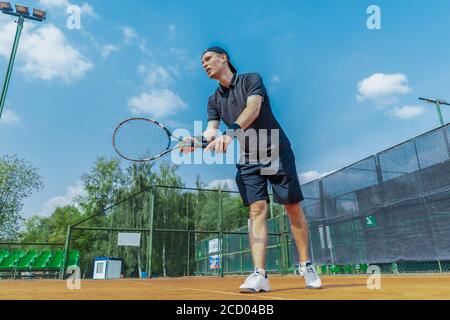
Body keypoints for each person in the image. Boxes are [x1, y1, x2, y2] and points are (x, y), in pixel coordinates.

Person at [182, 46, 322, 293]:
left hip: (275, 150)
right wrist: (197, 142)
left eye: (207, 59)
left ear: (223, 58)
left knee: (292, 207)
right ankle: (260, 275)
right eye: (201, 62)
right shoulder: (213, 100)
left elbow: (253, 109)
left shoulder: (251, 79)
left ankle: (306, 265)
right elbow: (210, 133)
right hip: (248, 159)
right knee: (257, 210)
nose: (203, 64)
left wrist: (230, 133)